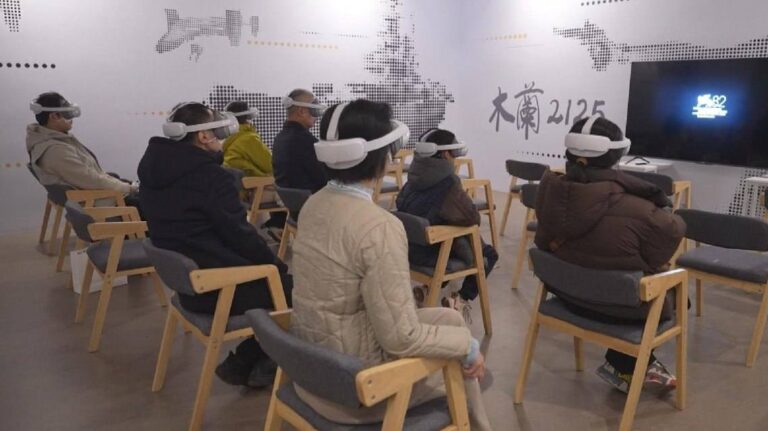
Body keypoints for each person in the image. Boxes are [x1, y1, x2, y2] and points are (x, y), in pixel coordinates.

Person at [290, 99, 491, 430]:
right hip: (355, 390)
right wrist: (468, 348)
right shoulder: (379, 227)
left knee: (451, 319)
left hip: (311, 368)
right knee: (462, 361)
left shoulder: (314, 204)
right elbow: (402, 338)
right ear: (380, 157)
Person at [137, 102, 292, 388]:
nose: (221, 137)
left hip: (188, 285)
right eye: (216, 131)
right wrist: (277, 266)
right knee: (300, 294)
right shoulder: (211, 178)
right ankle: (247, 362)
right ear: (204, 136)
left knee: (279, 282)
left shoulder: (152, 169)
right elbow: (241, 235)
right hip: (219, 288)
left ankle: (245, 364)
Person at [534, 115, 686, 393]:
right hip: (618, 307)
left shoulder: (547, 192)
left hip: (565, 297)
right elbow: (662, 252)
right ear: (618, 155)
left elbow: (543, 243)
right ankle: (624, 363)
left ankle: (625, 364)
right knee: (677, 294)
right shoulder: (642, 210)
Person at [396, 128, 498, 320]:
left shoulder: (412, 178)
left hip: (409, 249)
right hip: (432, 253)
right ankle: (459, 300)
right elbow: (472, 218)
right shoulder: (448, 183)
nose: (455, 157)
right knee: (489, 254)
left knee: (447, 241)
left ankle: (426, 291)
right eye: (454, 153)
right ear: (445, 154)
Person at [26, 92, 138, 195]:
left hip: (93, 193)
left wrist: (123, 184)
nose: (71, 118)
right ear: (54, 117)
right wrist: (129, 189)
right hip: (100, 200)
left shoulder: (53, 139)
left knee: (123, 180)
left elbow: (88, 175)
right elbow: (91, 180)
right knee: (146, 199)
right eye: (67, 113)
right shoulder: (56, 151)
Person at [271, 89, 328, 192]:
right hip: (312, 199)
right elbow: (324, 179)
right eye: (314, 111)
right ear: (301, 111)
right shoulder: (306, 142)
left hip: (290, 200)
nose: (316, 117)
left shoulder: (279, 138)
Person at [222, 101, 272, 177]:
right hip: (255, 183)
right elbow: (271, 165)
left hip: (238, 182)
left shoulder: (227, 137)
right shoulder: (249, 139)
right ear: (247, 117)